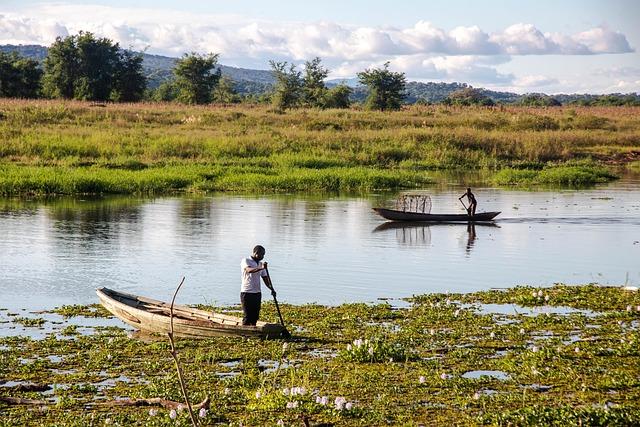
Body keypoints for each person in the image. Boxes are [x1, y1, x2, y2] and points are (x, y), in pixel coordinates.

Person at [240, 245, 275, 326]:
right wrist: (261, 268)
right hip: (247, 292)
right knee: (247, 316)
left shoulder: (260, 264)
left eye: (264, 255)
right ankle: (244, 334)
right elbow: (249, 270)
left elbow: (266, 279)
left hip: (257, 293)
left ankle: (253, 332)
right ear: (255, 252)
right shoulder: (246, 260)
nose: (262, 257)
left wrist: (272, 289)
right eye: (261, 254)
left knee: (255, 316)